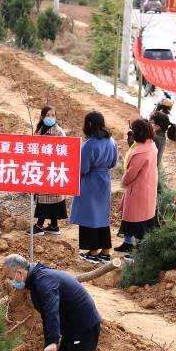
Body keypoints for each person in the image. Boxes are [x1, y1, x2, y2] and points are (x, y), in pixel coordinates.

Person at [2, 254, 101, 351]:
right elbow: (46, 314)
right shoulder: (36, 278)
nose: (10, 282)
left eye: (10, 278)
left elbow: (51, 310)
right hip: (71, 327)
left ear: (19, 273)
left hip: (84, 327)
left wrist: (52, 341)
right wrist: (52, 339)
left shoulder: (43, 281)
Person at [70, 111, 118, 264]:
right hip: (105, 180)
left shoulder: (89, 144)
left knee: (89, 217)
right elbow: (113, 163)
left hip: (90, 182)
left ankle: (92, 252)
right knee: (102, 217)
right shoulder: (111, 141)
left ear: (89, 124)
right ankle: (105, 251)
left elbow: (83, 168)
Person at [116, 119, 159, 254]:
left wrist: (123, 181)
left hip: (138, 190)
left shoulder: (141, 152)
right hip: (147, 187)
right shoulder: (151, 145)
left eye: (133, 131)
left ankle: (137, 251)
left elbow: (131, 173)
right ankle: (128, 243)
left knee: (136, 221)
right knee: (137, 218)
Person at [30, 106, 68, 236]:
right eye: (48, 115)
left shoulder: (59, 132)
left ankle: (39, 226)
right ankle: (54, 225)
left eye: (53, 115)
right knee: (48, 198)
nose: (50, 118)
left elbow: (64, 152)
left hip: (52, 169)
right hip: (41, 168)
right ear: (42, 116)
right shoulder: (40, 130)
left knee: (47, 198)